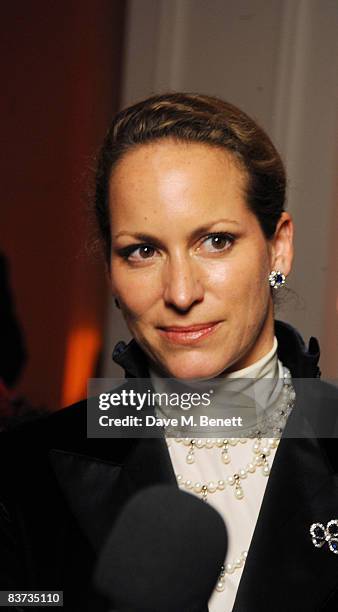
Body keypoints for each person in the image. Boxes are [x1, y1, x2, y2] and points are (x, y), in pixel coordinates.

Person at [0, 93, 337, 612]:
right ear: (112, 273)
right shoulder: (24, 470)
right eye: (143, 251)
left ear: (278, 248)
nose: (180, 292)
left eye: (216, 241)